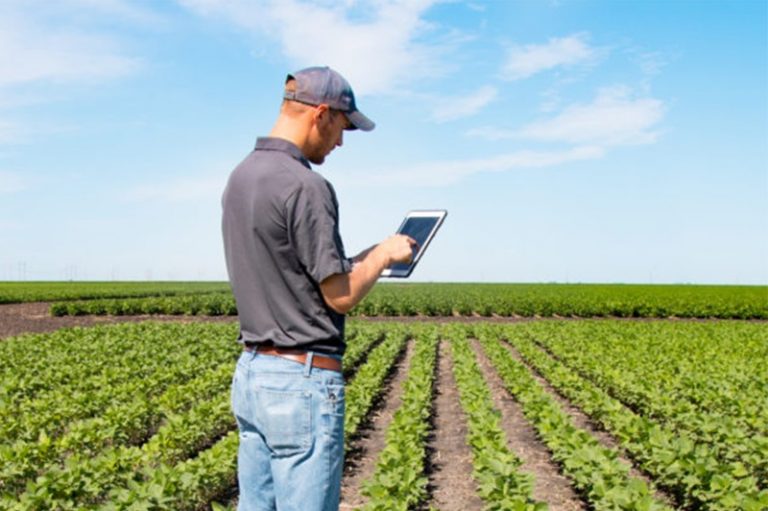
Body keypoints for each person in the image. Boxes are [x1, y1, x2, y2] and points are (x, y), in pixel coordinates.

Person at [221, 66, 417, 511]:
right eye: (343, 127)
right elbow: (340, 295)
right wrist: (384, 257)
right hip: (299, 381)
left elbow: (296, 270)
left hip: (252, 374)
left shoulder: (241, 177)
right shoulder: (306, 185)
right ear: (321, 114)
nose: (341, 142)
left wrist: (377, 249)